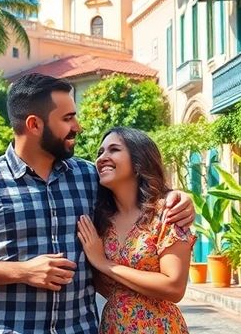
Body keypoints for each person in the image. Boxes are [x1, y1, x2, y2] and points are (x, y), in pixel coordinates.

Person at [0, 73, 195, 333]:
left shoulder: (89, 178)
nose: (77, 126)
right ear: (34, 124)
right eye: (68, 118)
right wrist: (22, 271)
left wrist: (179, 197)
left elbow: (137, 193)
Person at [77, 127, 193, 333]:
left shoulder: (167, 213)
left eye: (114, 149)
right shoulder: (101, 221)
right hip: (114, 325)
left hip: (159, 327)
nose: (102, 157)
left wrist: (105, 264)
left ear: (139, 161)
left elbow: (174, 288)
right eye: (100, 152)